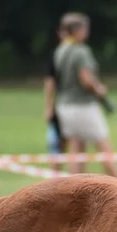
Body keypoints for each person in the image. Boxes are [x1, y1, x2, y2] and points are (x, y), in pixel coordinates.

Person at [52, 12, 117, 177]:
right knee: (105, 148)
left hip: (64, 106)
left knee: (76, 150)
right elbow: (86, 80)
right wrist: (99, 90)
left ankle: (75, 191)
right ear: (77, 30)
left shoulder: (60, 50)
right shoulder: (81, 51)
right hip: (83, 106)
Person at [44, 23, 67, 174]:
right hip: (60, 106)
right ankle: (55, 178)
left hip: (70, 106)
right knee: (56, 144)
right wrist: (49, 106)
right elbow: (50, 82)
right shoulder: (57, 55)